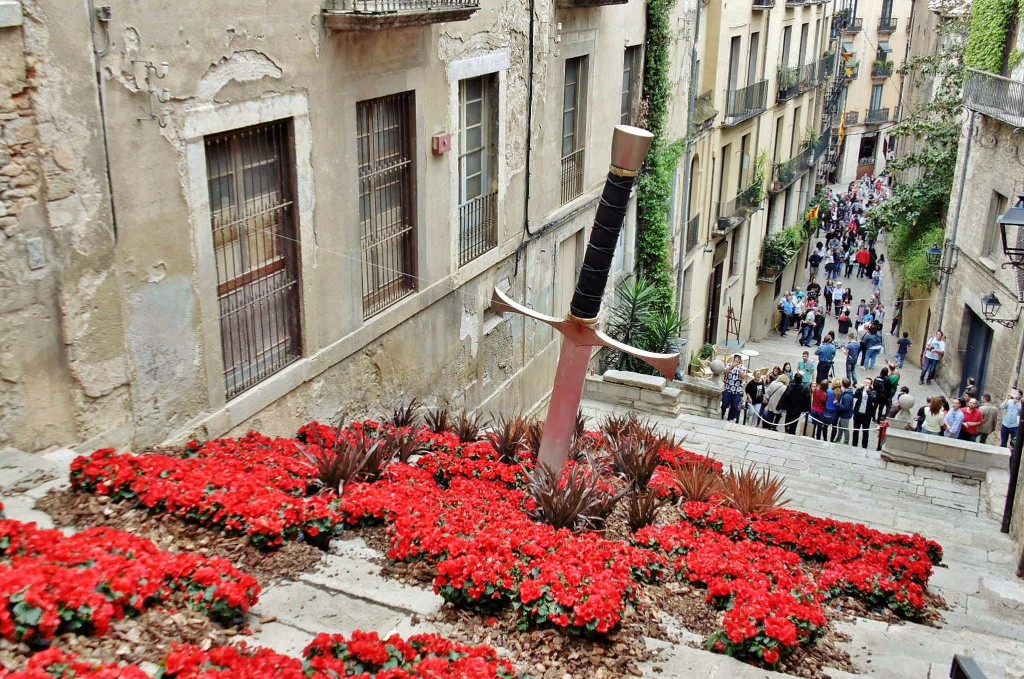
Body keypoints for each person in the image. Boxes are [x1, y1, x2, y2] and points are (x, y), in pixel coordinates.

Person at [852, 378, 875, 448]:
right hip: (858, 414)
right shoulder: (861, 390)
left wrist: (868, 391)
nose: (866, 384)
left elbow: (873, 399)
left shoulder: (873, 391)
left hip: (866, 416)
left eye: (868, 383)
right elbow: (855, 396)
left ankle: (864, 446)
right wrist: (859, 388)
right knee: (855, 431)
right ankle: (854, 445)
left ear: (871, 384)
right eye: (865, 382)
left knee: (865, 432)